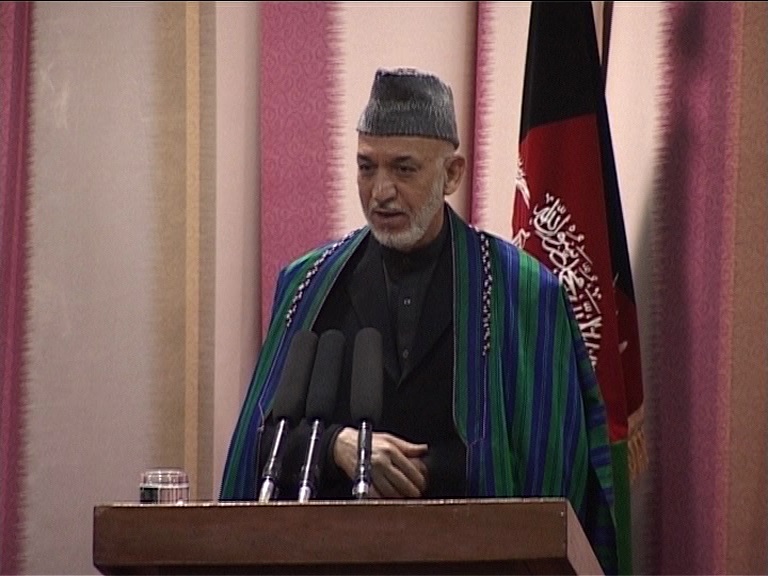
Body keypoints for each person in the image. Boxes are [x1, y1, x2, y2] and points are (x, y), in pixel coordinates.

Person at [220, 67, 617, 573]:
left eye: (403, 169)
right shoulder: (308, 285)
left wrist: (426, 472)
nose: (380, 191)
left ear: (452, 174)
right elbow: (258, 447)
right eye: (366, 167)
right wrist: (337, 446)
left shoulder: (523, 293)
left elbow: (553, 470)